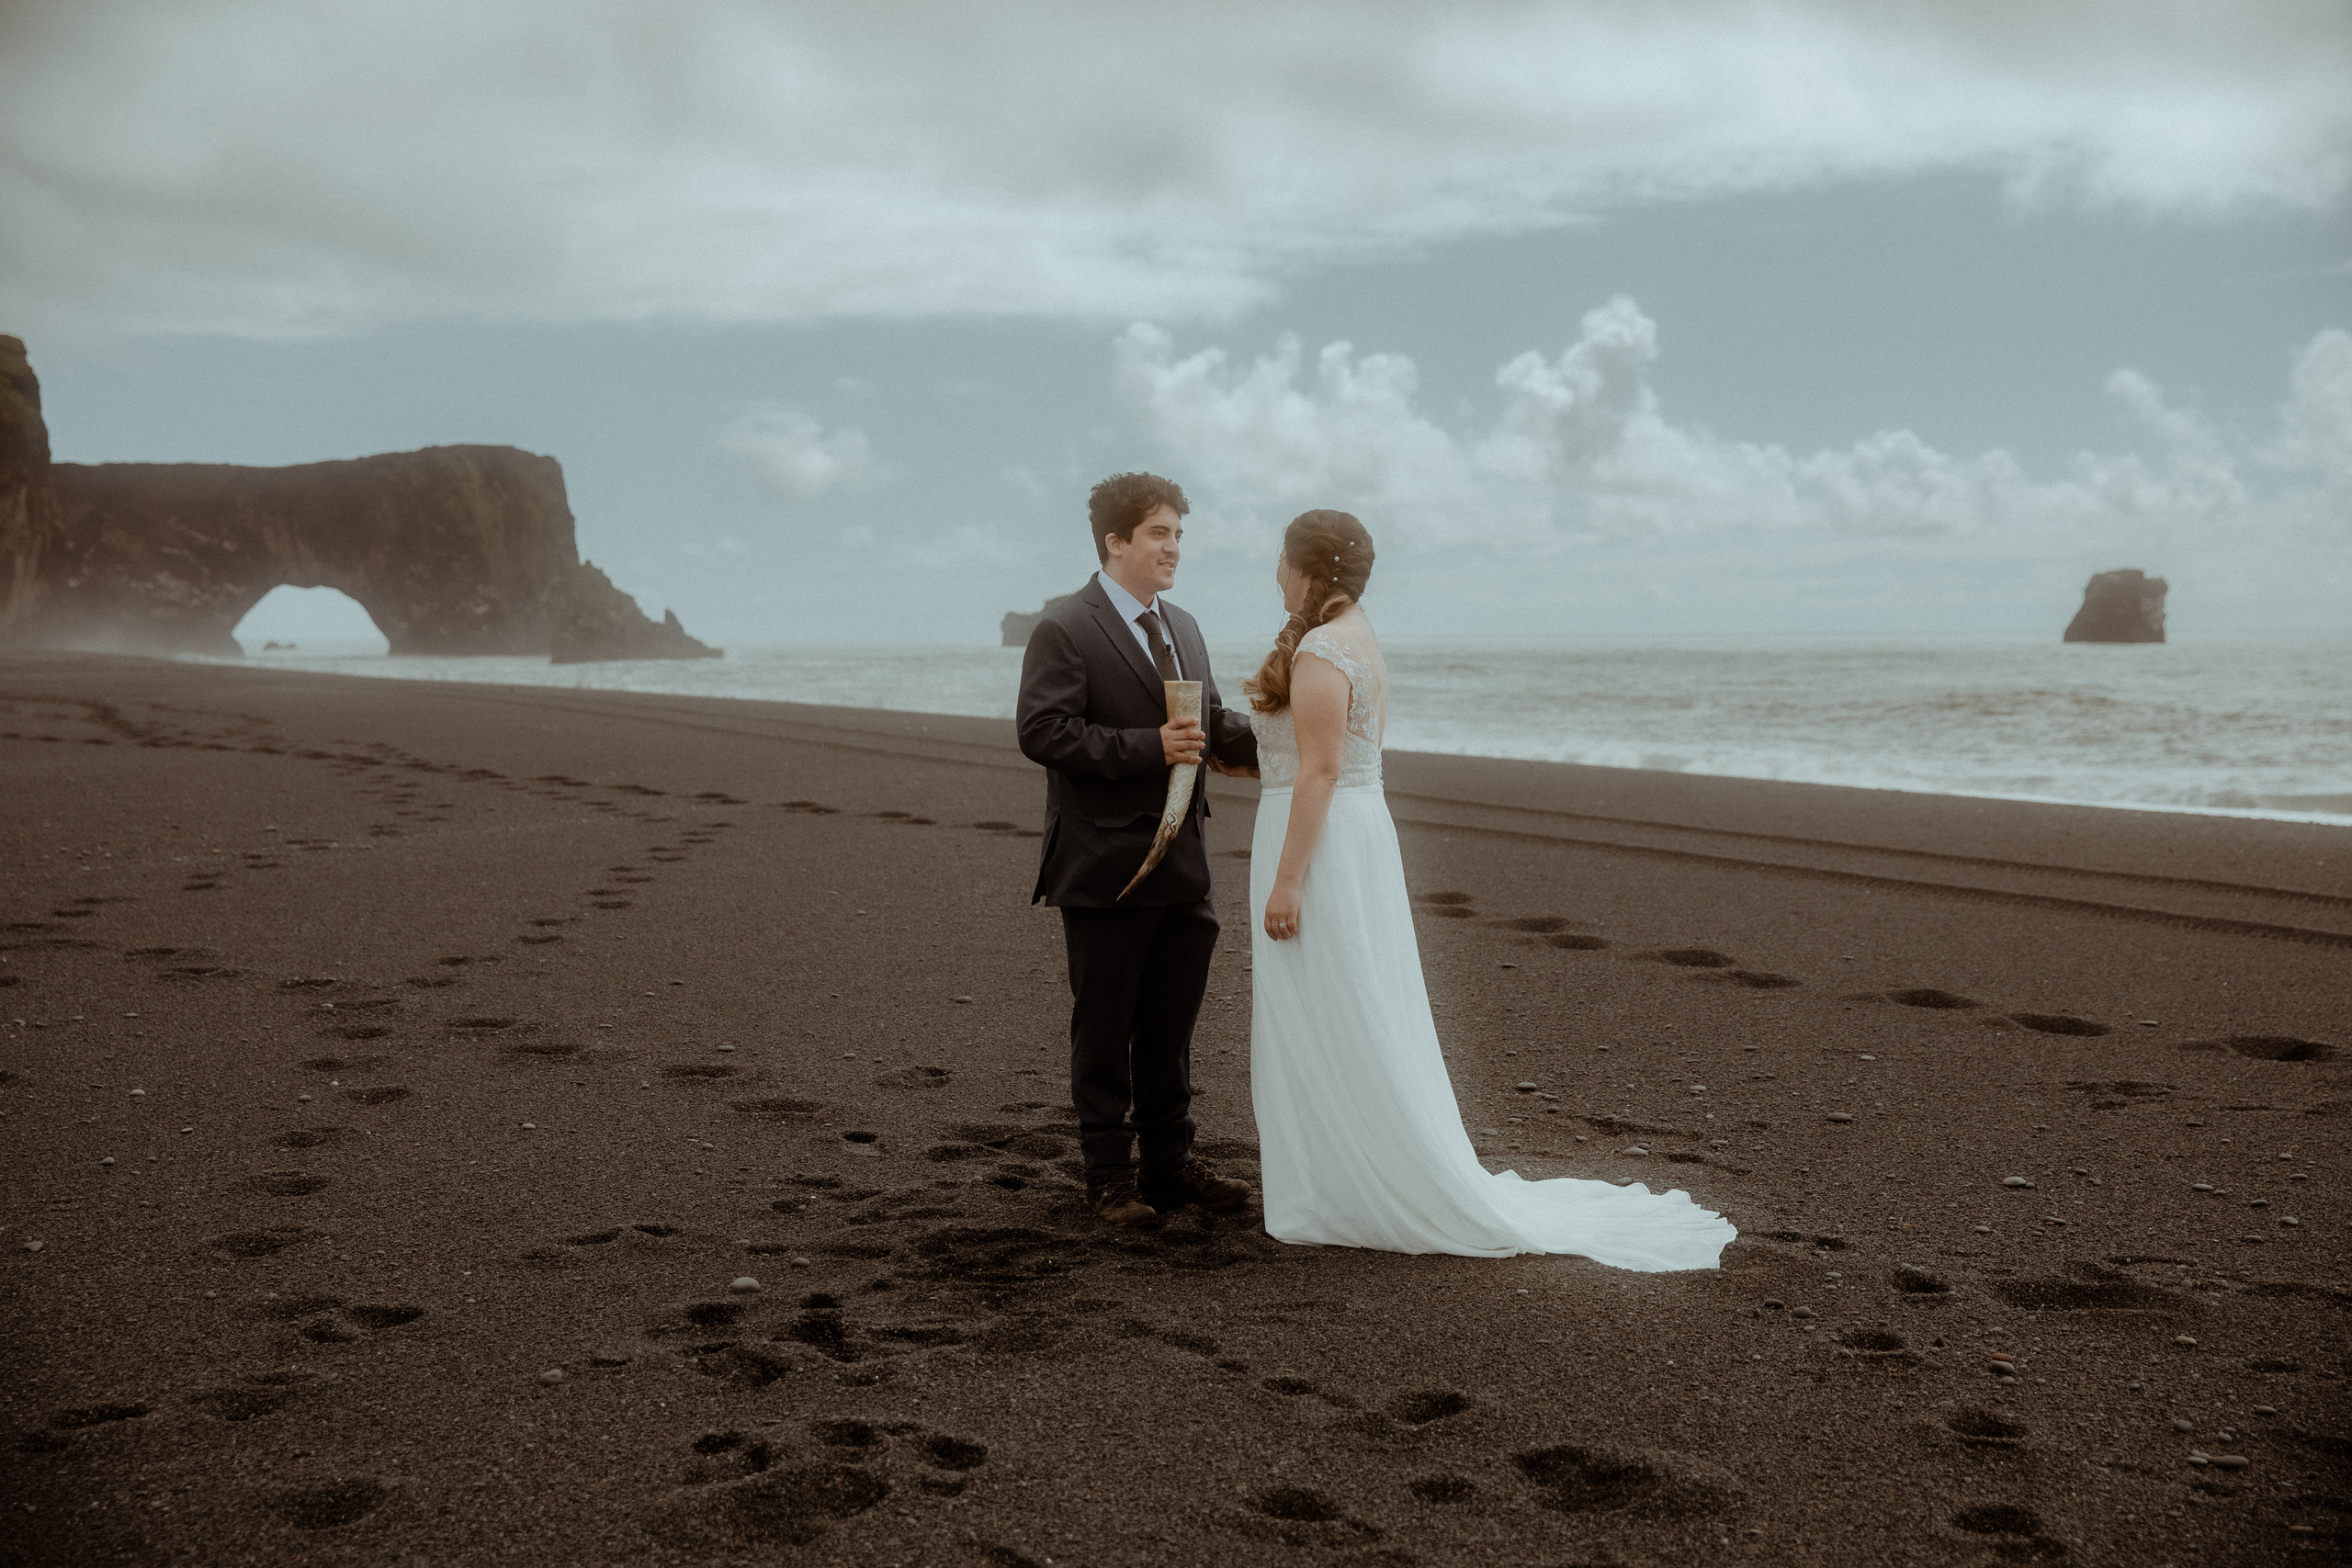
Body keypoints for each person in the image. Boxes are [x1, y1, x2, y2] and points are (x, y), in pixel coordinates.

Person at [1247, 509, 1736, 1269]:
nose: (1273, 574)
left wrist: (1285, 878)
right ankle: (1348, 1166)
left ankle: (1345, 1179)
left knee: (1330, 1001)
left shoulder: (1320, 647)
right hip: (1354, 836)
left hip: (1322, 844)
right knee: (1352, 1000)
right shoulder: (1360, 635)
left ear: (1310, 570)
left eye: (1280, 561)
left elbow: (1318, 769)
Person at [1016, 472, 1261, 1228]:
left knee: (1170, 1025)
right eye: (1160, 533)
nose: (1174, 548)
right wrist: (1147, 746)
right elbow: (1042, 731)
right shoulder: (1065, 626)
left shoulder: (1184, 625)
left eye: (1179, 534)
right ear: (1114, 541)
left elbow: (1211, 723)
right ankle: (1106, 1178)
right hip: (1102, 865)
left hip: (1185, 864)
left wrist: (1294, 735)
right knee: (1104, 1027)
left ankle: (1169, 1166)